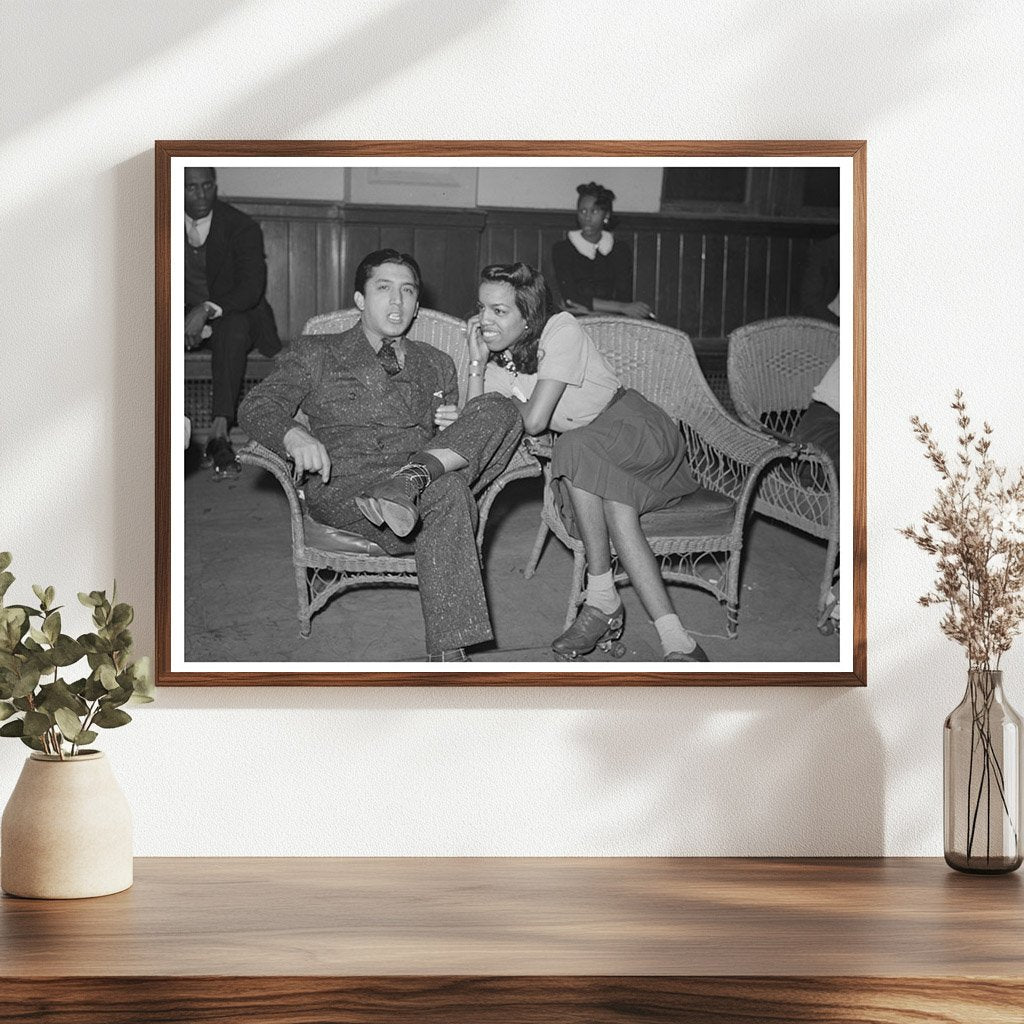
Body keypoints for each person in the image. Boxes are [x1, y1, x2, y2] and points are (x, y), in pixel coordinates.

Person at [238, 249, 523, 663]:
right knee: (450, 495)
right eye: (383, 289)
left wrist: (455, 424)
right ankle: (452, 657)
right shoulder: (318, 352)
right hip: (351, 490)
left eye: (407, 291)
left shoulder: (436, 362)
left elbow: (466, 442)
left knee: (497, 409)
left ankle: (410, 480)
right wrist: (293, 433)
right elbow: (256, 405)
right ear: (359, 299)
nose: (397, 302)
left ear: (418, 305)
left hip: (420, 490)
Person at [460, 262, 708, 663]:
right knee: (606, 494)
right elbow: (477, 423)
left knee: (572, 448)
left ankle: (602, 601)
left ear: (528, 316)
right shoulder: (499, 362)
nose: (483, 320)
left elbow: (537, 420)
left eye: (499, 311)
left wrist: (509, 406)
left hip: (636, 431)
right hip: (590, 454)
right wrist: (476, 361)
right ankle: (675, 638)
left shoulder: (561, 329)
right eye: (481, 307)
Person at [184, 167, 280, 478]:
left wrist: (206, 311)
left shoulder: (241, 226)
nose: (201, 196)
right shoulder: (160, 220)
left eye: (207, 186)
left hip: (238, 316)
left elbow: (251, 288)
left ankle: (219, 430)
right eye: (191, 188)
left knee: (233, 328)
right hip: (184, 316)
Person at [550, 182, 653, 320]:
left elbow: (624, 297)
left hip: (612, 320)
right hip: (575, 319)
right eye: (583, 211)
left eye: (594, 211)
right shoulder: (563, 249)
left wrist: (593, 313)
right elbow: (570, 298)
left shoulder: (620, 249)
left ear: (606, 215)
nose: (587, 217)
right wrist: (621, 308)